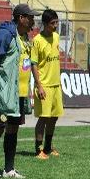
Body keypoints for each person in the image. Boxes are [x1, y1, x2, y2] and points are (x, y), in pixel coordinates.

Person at [0, 3, 38, 179]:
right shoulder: (5, 34)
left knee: (13, 130)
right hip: (4, 93)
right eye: (30, 18)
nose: (33, 22)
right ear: (21, 18)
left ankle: (9, 169)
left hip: (18, 93)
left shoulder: (24, 37)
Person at [32, 9, 64, 159]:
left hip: (56, 84)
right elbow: (34, 64)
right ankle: (39, 150)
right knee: (43, 118)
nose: (55, 26)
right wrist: (39, 85)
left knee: (54, 117)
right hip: (44, 85)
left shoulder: (57, 37)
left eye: (57, 22)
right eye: (52, 23)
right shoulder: (37, 40)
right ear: (45, 24)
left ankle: (48, 147)